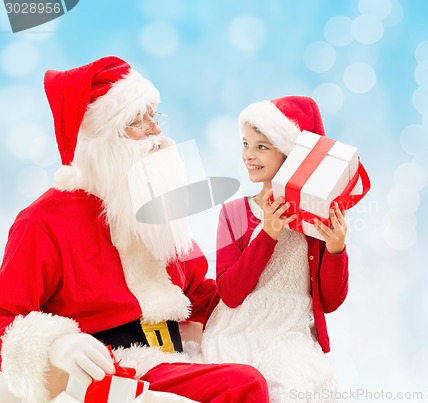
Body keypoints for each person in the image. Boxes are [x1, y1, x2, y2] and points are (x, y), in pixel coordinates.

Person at [0, 56, 269, 403]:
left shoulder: (158, 203)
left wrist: (267, 290)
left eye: (153, 117)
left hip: (177, 354)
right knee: (243, 384)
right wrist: (57, 344)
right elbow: (6, 317)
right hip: (116, 367)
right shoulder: (42, 221)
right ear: (100, 140)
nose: (155, 130)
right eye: (135, 122)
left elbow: (199, 293)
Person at [201, 96, 349, 402]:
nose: (248, 156)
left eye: (262, 147)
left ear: (290, 155)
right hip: (238, 331)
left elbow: (331, 301)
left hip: (292, 334)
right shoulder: (235, 213)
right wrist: (267, 234)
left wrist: (336, 250)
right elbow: (230, 293)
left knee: (291, 385)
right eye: (245, 144)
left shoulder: (317, 221)